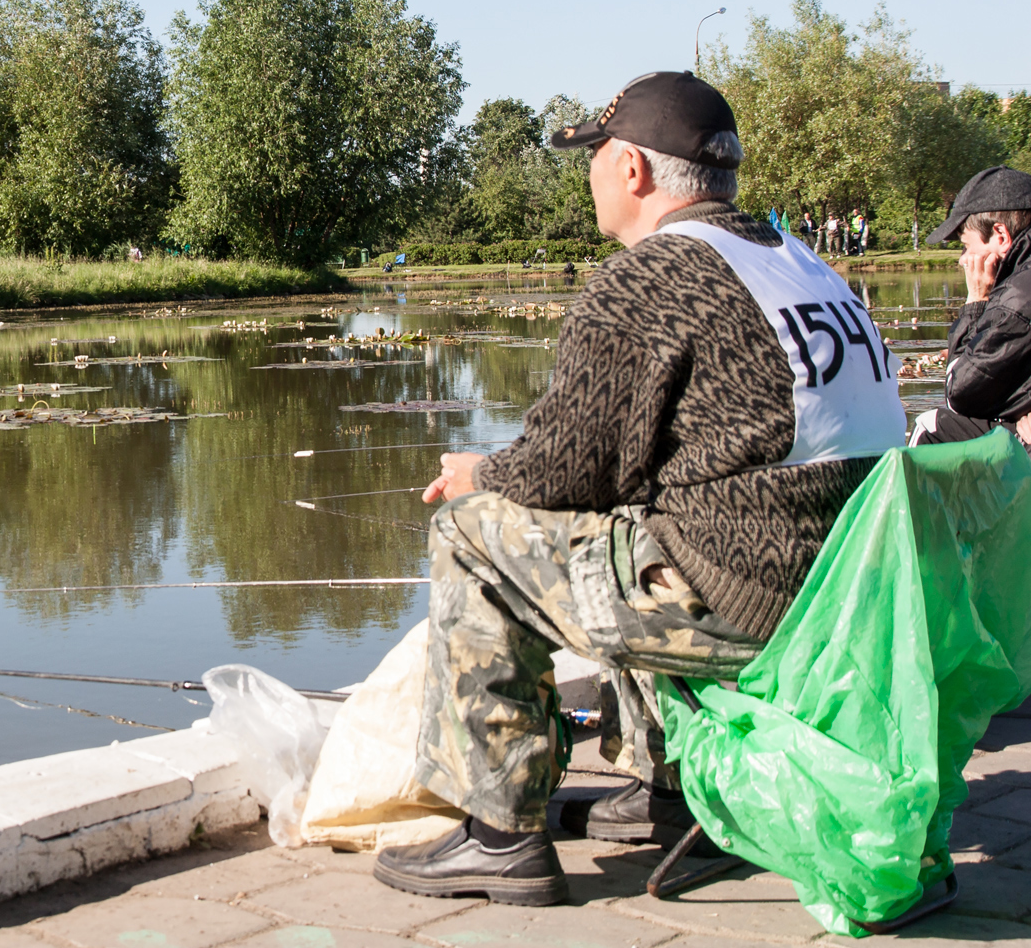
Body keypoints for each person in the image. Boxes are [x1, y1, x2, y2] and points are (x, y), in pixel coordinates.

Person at [372, 71, 905, 907]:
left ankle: (499, 831)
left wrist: (480, 471)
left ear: (632, 170)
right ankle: (673, 792)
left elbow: (558, 475)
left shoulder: (652, 278)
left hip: (752, 602)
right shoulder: (808, 268)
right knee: (639, 516)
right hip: (853, 602)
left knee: (474, 531)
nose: (586, 175)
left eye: (593, 156)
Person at [908, 166, 1031, 447]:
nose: (963, 260)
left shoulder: (1018, 297)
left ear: (1000, 236)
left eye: (965, 246)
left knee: (933, 427)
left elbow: (959, 394)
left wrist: (976, 301)